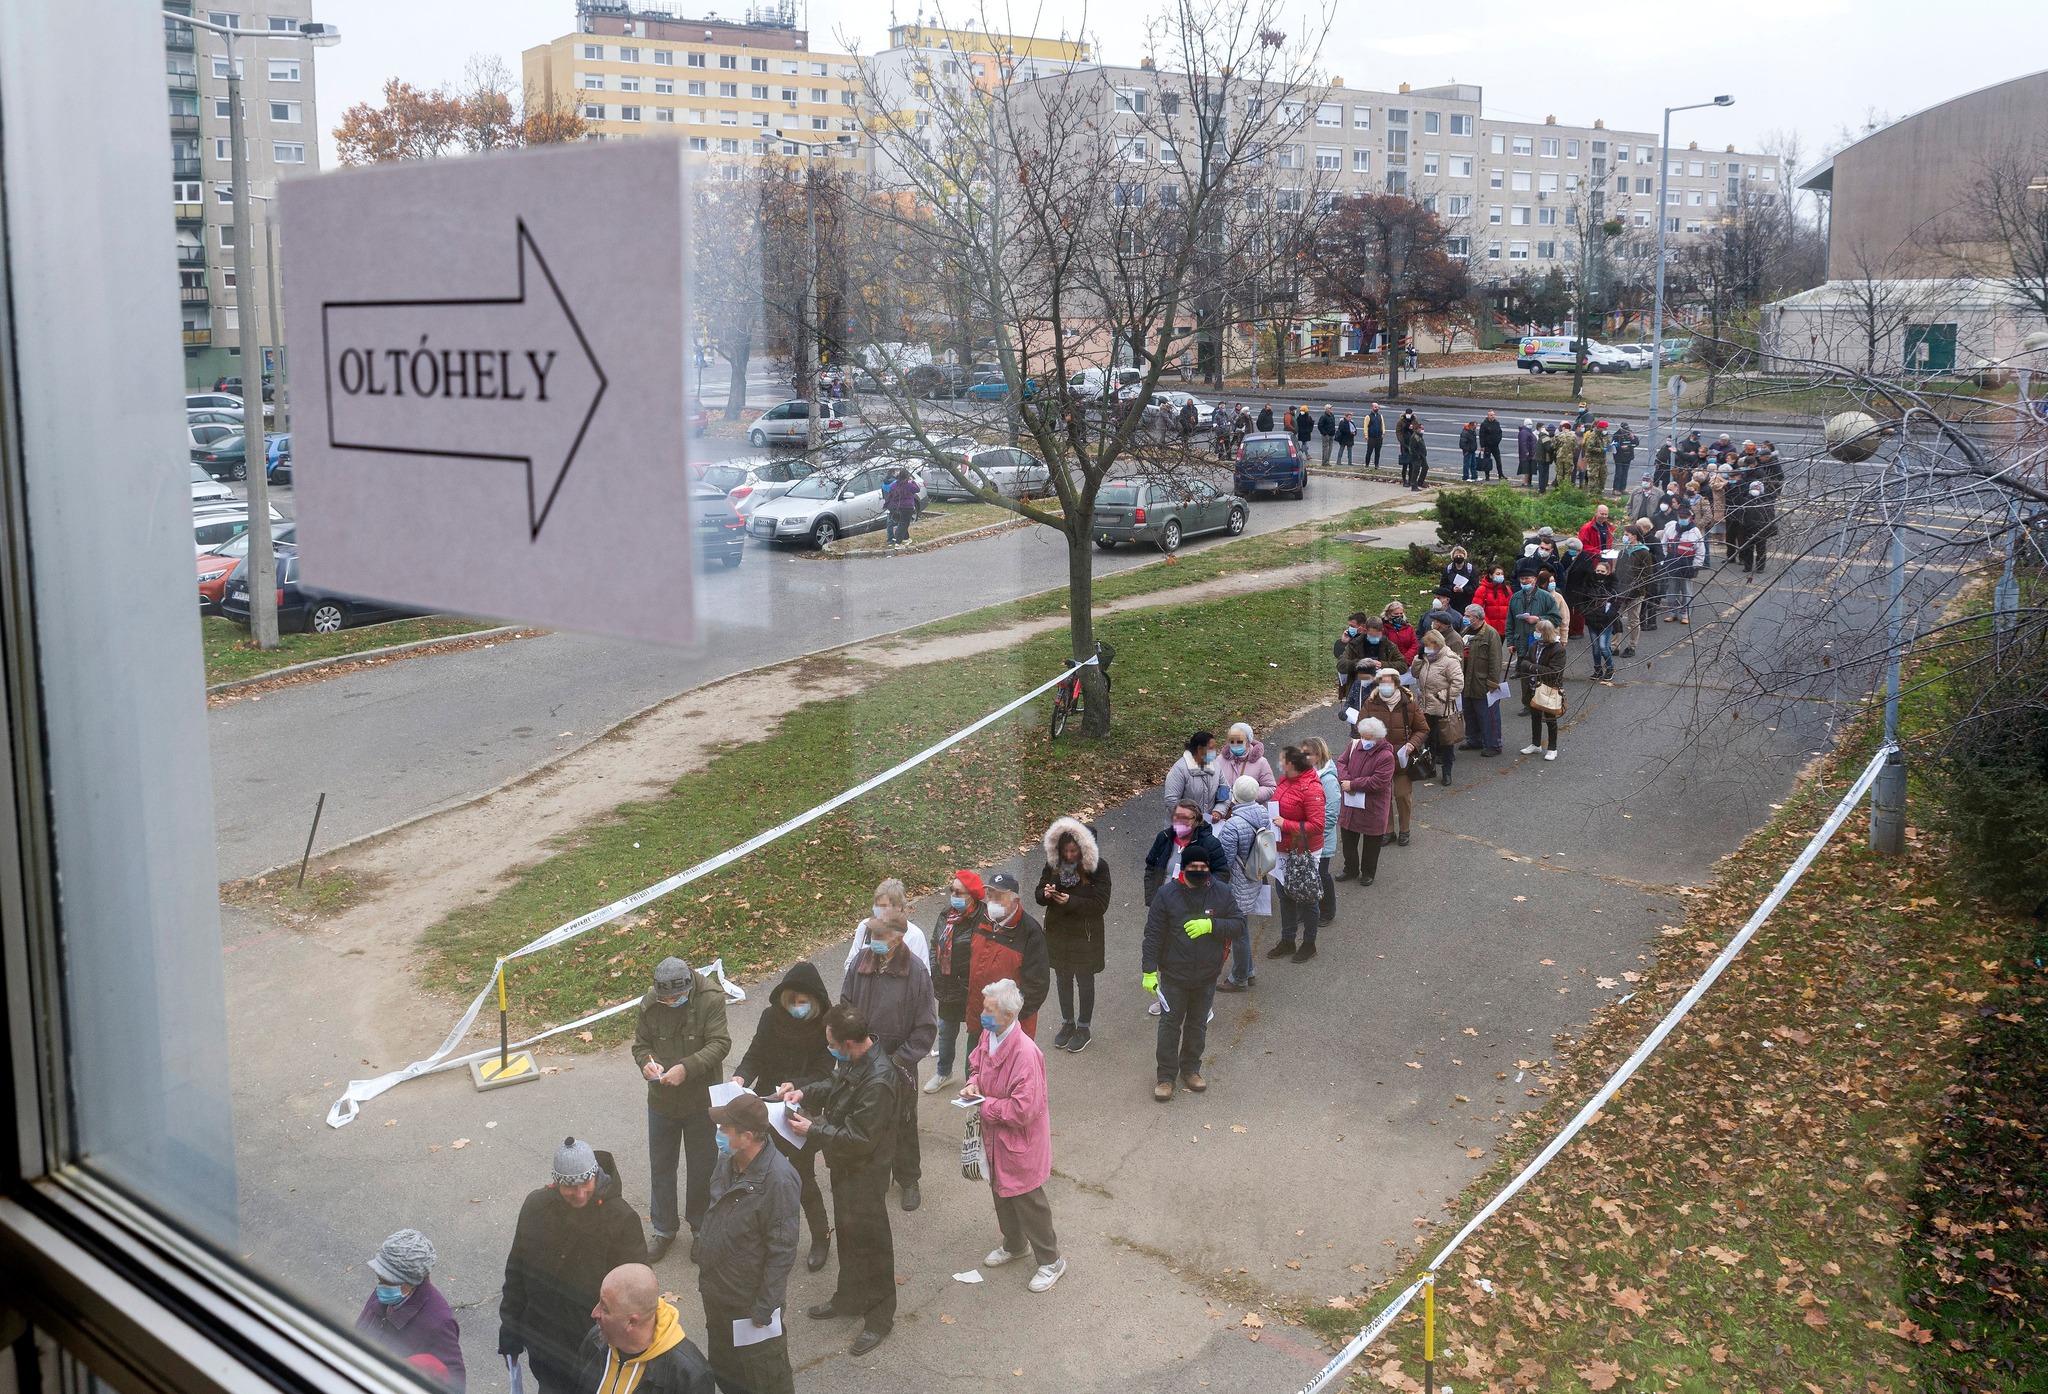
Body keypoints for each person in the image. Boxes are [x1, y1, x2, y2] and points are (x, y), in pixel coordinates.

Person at [791, 1004, 899, 1357]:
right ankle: (849, 1298)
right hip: (846, 1168)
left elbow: (860, 1138)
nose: (831, 1050)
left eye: (833, 1045)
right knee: (849, 1238)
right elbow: (836, 1083)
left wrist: (813, 1129)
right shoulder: (855, 1060)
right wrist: (804, 1092)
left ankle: (880, 1318)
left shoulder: (879, 1080)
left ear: (849, 1043)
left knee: (873, 1246)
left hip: (865, 1173)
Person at [499, 1138, 647, 1394]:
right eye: (570, 1187)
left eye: (585, 1184)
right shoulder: (535, 1208)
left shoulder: (620, 1219)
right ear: (556, 1183)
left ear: (596, 1176)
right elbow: (517, 1273)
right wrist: (510, 1331)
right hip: (546, 1349)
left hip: (597, 1352)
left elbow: (638, 1291)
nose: (579, 1194)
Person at [731, 960, 837, 1273]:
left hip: (799, 1109)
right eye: (792, 1001)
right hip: (766, 1105)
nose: (796, 1008)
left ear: (815, 1002)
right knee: (759, 1175)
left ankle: (821, 1236)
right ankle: (764, 1239)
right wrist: (740, 1077)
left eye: (803, 1002)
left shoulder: (823, 1026)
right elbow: (754, 1055)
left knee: (803, 1178)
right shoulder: (771, 1018)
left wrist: (797, 1085)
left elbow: (824, 1073)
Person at [961, 978, 1065, 1291]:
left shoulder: (1025, 1054)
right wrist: (973, 1082)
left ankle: (1051, 1261)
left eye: (989, 1010)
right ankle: (1015, 1244)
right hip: (995, 1138)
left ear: (1009, 1015)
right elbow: (976, 1062)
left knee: (1028, 1200)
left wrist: (984, 1105)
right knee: (1000, 1191)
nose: (982, 1015)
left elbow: (1023, 1110)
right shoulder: (989, 1035)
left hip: (1020, 1142)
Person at [696, 1093, 801, 1394]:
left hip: (749, 1305)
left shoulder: (779, 1181)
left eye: (724, 1129)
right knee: (727, 1373)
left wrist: (764, 1308)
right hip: (718, 1296)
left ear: (748, 1137)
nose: (718, 1134)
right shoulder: (727, 1161)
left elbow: (782, 1251)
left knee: (764, 1380)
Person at [837, 907, 936, 1212]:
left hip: (897, 1063)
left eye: (881, 935)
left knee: (903, 1122)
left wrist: (897, 1061)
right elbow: (846, 1004)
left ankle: (909, 1180)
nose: (874, 940)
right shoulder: (860, 963)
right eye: (872, 934)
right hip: (859, 1060)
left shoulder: (916, 972)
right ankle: (863, 1174)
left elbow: (925, 1028)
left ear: (898, 938)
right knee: (860, 1118)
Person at [633, 958, 732, 1263]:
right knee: (661, 1168)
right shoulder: (650, 1003)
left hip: (700, 1101)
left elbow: (720, 1044)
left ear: (688, 986)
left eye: (675, 998)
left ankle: (701, 1228)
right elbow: (641, 1045)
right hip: (662, 1102)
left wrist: (686, 1068)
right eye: (665, 999)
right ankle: (663, 1230)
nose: (670, 1003)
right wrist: (647, 1063)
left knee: (702, 1168)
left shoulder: (711, 998)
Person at [1140, 849, 1244, 1101]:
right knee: (1169, 1025)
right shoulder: (1166, 895)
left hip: (1207, 974)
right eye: (1194, 868)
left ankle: (1191, 1070)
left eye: (1203, 867)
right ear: (1184, 869)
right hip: (1174, 975)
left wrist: (1211, 925)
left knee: (1197, 1024)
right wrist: (1149, 971)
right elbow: (1153, 934)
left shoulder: (1221, 892)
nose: (1199, 872)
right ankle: (1165, 1077)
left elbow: (1239, 925)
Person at [574, 1264, 717, 1394]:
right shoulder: (597, 1338)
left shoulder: (690, 1376)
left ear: (631, 1322)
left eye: (605, 1309)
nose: (594, 1313)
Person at [1035, 817, 1111, 1053]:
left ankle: (1083, 1027)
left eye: (1073, 851)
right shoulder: (1053, 865)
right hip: (1058, 933)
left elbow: (1100, 905)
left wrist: (1071, 901)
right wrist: (1046, 893)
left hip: (1085, 936)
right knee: (1063, 978)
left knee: (1084, 980)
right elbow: (1038, 894)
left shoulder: (1099, 868)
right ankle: (1067, 1023)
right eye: (1064, 851)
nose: (1068, 855)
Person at [357, 1229, 465, 1388]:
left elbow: (455, 1383)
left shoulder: (439, 1323)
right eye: (380, 1277)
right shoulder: (385, 1291)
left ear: (410, 1283)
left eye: (388, 1279)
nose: (380, 1284)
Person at [968, 873, 1050, 1049]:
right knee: (975, 1065)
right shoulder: (982, 919)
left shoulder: (1030, 932)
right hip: (979, 1019)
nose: (992, 901)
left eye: (999, 896)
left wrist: (1007, 1019)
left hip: (1010, 1028)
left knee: (1007, 1067)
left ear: (1015, 900)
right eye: (990, 895)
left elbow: (1037, 986)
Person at [923, 870, 986, 1095]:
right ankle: (944, 1072)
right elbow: (935, 943)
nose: (953, 896)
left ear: (972, 895)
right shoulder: (946, 914)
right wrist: (936, 970)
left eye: (959, 892)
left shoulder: (984, 918)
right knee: (946, 1031)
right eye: (952, 891)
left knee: (975, 1036)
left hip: (971, 989)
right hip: (948, 986)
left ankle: (973, 1079)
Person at [1265, 746, 1328, 961]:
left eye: (1281, 760)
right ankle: (1288, 940)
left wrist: (1286, 824)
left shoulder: (1311, 789)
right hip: (1283, 849)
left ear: (1291, 764)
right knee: (1284, 895)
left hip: (1303, 852)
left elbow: (1317, 825)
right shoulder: (1285, 780)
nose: (1278, 763)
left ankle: (1309, 943)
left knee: (1307, 898)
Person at [1211, 776, 1271, 991]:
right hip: (1254, 877)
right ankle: (1248, 970)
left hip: (1237, 883)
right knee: (1242, 927)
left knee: (1238, 932)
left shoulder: (1233, 825)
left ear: (1235, 796)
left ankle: (1239, 977)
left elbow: (1224, 862)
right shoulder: (1263, 814)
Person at [1355, 668, 1426, 847]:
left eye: (1389, 682)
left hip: (1402, 760)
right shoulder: (1371, 703)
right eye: (1382, 682)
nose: (1385, 686)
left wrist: (1412, 744)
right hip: (1379, 760)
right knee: (1382, 797)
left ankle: (1405, 830)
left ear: (1396, 683)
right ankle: (1388, 831)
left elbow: (1422, 729)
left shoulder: (1409, 703)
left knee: (1402, 796)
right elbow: (1360, 726)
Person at [1333, 718, 1396, 885]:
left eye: (1367, 738)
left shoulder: (1386, 756)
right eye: (1362, 736)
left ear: (1378, 737)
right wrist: (1345, 780)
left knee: (1371, 842)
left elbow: (1378, 781)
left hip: (1373, 806)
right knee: (1348, 839)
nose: (1363, 741)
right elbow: (1341, 762)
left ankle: (1368, 872)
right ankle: (1350, 869)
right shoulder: (1354, 745)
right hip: (1351, 804)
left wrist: (1353, 784)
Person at [1410, 630, 1465, 787]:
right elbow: (1414, 673)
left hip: (1442, 707)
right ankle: (1430, 767)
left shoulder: (1450, 660)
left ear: (1436, 644)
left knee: (1446, 741)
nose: (1425, 647)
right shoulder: (1425, 658)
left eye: (1427, 645)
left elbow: (1458, 683)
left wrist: (1442, 696)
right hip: (1426, 707)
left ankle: (1447, 772)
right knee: (1429, 739)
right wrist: (1419, 657)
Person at [843, 878, 928, 974]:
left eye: (883, 906)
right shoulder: (864, 926)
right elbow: (850, 965)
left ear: (898, 907)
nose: (877, 910)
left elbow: (922, 975)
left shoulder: (915, 936)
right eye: (876, 904)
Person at [1300, 736, 1342, 927]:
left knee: (1321, 874)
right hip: (1304, 836)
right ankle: (1308, 909)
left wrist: (1313, 833)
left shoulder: (1328, 780)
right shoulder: (1303, 773)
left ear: (1318, 755)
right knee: (1305, 874)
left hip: (1320, 838)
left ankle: (1327, 911)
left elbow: (1331, 814)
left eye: (1307, 754)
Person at [1461, 603, 1505, 757]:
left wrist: (1492, 682)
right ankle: (1474, 739)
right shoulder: (1465, 631)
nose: (1464, 618)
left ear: (1477, 617)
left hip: (1482, 682)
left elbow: (1495, 660)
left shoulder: (1490, 634)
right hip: (1466, 680)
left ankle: (1493, 744)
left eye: (1468, 616)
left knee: (1488, 715)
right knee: (1470, 713)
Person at [1521, 618, 1566, 761]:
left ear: (1545, 633)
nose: (1535, 633)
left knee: (1550, 718)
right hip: (1533, 686)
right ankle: (1536, 744)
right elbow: (1524, 661)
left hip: (1549, 688)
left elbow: (1553, 672)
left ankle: (1552, 748)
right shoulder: (1535, 644)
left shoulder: (1558, 650)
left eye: (1537, 631)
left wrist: (1532, 667)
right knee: (1535, 716)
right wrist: (1533, 667)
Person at [1213, 722, 1277, 817]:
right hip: (1225, 813)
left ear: (1248, 740)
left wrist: (1249, 795)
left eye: (1239, 742)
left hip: (1251, 815)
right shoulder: (1220, 760)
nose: (1235, 745)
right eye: (1232, 741)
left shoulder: (1261, 762)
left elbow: (1271, 788)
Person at [1614, 523, 1657, 658]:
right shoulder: (1623, 552)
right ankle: (1614, 646)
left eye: (1626, 535)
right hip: (1621, 591)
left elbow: (1647, 574)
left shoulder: (1643, 552)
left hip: (1636, 592)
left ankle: (1631, 646)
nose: (1624, 537)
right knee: (1615, 617)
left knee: (1633, 620)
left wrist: (1634, 586)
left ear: (1634, 536)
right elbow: (1618, 571)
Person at [1163, 730, 1222, 822]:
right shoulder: (1180, 769)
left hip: (1208, 825)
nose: (1215, 751)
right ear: (1200, 749)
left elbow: (1225, 791)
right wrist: (1191, 819)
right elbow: (1171, 800)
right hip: (1184, 826)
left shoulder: (1216, 766)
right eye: (1211, 748)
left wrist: (1218, 811)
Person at [1659, 508, 1705, 623]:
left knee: (1686, 591)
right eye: (1681, 517)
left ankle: (1685, 614)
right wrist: (1666, 559)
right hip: (1672, 564)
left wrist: (1696, 566)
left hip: (1687, 566)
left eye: (1685, 518)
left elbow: (1700, 551)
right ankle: (1672, 613)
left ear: (1690, 518)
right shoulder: (1671, 529)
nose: (1682, 520)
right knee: (1672, 590)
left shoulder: (1695, 532)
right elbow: (1663, 545)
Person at [1506, 569, 1561, 662]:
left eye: (1527, 578)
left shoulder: (1546, 597)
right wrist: (1510, 642)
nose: (1524, 581)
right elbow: (1510, 622)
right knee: (1521, 667)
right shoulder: (1515, 597)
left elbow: (1556, 619)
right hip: (1521, 643)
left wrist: (1539, 619)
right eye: (1522, 579)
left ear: (1535, 579)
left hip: (1541, 644)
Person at [1582, 559, 1620, 681]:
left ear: (1608, 572)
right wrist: (1586, 613)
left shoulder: (1613, 585)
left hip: (1606, 621)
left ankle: (1610, 668)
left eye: (1602, 571)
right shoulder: (1589, 583)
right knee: (1595, 647)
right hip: (1592, 619)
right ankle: (1597, 669)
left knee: (1603, 646)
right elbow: (1583, 600)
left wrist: (1609, 615)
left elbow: (1616, 602)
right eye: (1597, 570)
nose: (1599, 573)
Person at [1732, 477, 1775, 575]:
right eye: (1753, 487)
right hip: (1747, 529)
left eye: (1757, 487)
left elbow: (1770, 515)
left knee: (1761, 549)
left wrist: (1767, 527)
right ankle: (1748, 566)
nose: (1755, 489)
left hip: (1761, 529)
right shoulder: (1745, 500)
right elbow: (1739, 514)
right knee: (1748, 549)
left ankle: (1760, 567)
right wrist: (1742, 525)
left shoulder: (1766, 501)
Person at [1475, 563, 1514, 637]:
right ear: (1490, 575)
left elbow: (1512, 608)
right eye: (1498, 574)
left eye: (1502, 574)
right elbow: (1477, 610)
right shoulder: (1482, 590)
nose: (1500, 576)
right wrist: (1487, 625)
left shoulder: (1507, 590)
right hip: (1488, 629)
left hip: (1504, 629)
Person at [883, 469, 919, 547]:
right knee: (904, 523)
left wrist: (886, 505)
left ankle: (906, 538)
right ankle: (898, 541)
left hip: (896, 507)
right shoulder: (909, 485)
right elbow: (917, 489)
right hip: (907, 507)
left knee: (902, 522)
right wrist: (912, 482)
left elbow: (890, 496)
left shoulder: (894, 485)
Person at [1381, 601, 1419, 666]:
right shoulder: (1383, 628)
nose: (1399, 615)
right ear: (1388, 614)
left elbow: (1414, 645)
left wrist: (1405, 660)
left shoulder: (1408, 627)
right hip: (1390, 663)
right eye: (1396, 614)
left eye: (1401, 613)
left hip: (1407, 663)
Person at [1580, 420, 1611, 493]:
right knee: (1593, 477)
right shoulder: (1593, 436)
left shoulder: (1604, 435)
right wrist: (1601, 449)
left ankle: (1599, 492)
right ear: (1600, 428)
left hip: (1602, 460)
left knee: (1603, 477)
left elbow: (1607, 443)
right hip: (1594, 460)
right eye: (1604, 428)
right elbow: (1589, 447)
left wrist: (1611, 446)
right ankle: (1591, 494)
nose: (1606, 430)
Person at [1611, 422, 1638, 492]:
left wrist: (1633, 438)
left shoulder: (1630, 434)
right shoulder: (1617, 435)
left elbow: (1636, 443)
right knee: (1619, 473)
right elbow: (1613, 445)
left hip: (1628, 457)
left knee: (1625, 474)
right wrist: (1620, 447)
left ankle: (1622, 488)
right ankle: (1616, 488)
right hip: (1619, 457)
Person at [1480, 410, 1504, 479]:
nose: (1493, 416)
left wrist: (1498, 440)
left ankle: (1500, 474)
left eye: (1493, 415)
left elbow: (1500, 432)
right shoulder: (1484, 424)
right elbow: (1482, 435)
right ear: (1488, 416)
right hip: (1487, 446)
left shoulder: (1497, 423)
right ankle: (1487, 475)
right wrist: (1482, 446)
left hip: (1495, 446)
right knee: (1487, 461)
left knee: (1498, 460)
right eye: (1491, 415)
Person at [1517, 418, 1538, 487]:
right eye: (1529, 424)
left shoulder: (1528, 431)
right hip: (1527, 454)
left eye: (1531, 424)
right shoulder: (1524, 432)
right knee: (1526, 470)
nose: (1530, 425)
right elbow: (1522, 443)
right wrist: (1525, 451)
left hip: (1530, 453)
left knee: (1528, 469)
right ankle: (1525, 483)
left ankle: (1527, 482)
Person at [1364, 402, 1385, 471]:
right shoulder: (1368, 416)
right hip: (1371, 437)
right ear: (1372, 407)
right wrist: (1366, 435)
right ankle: (1367, 464)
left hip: (1379, 437)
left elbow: (1382, 425)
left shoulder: (1380, 416)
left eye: (1377, 407)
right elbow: (1366, 426)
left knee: (1377, 452)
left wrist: (1383, 433)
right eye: (1375, 407)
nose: (1377, 408)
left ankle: (1376, 465)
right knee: (1369, 451)